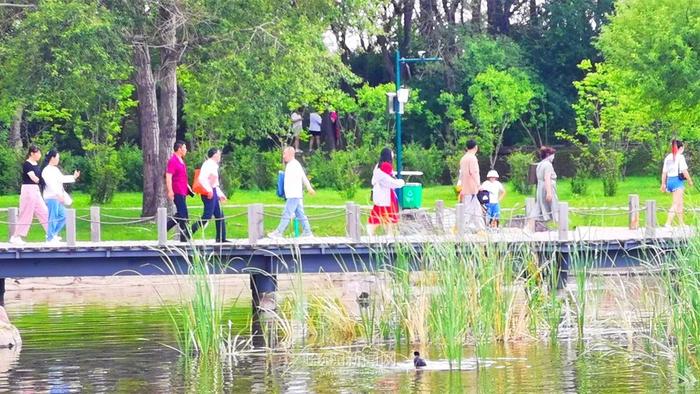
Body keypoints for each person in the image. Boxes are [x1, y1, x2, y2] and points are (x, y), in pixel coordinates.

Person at [268, 147, 316, 238]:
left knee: (287, 213)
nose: (283, 156)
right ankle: (307, 232)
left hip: (294, 195)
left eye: (284, 154)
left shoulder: (294, 165)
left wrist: (309, 187)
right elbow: (302, 177)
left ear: (290, 154)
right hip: (294, 195)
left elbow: (303, 177)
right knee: (300, 214)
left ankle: (279, 232)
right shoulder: (292, 165)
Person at [10, 145, 49, 244]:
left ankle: (50, 233)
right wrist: (42, 182)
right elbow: (34, 178)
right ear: (32, 153)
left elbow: (40, 177)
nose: (40, 155)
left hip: (35, 190)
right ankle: (16, 236)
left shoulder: (36, 164)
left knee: (44, 211)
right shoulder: (27, 164)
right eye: (38, 153)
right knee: (26, 213)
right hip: (28, 190)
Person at [41, 149, 80, 244]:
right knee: (53, 217)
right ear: (52, 158)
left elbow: (61, 179)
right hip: (52, 197)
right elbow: (51, 184)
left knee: (64, 216)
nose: (58, 159)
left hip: (57, 197)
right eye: (57, 158)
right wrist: (58, 195)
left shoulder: (54, 169)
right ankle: (50, 238)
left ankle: (53, 234)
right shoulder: (46, 171)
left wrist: (73, 177)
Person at [191, 148, 228, 243]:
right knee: (207, 216)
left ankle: (221, 238)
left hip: (213, 191)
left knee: (219, 215)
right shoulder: (208, 164)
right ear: (214, 154)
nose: (220, 156)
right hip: (208, 193)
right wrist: (209, 190)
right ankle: (189, 231)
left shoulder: (214, 165)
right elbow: (202, 179)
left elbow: (214, 183)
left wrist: (220, 194)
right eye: (219, 154)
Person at [367, 148, 405, 236]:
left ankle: (388, 235)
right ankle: (386, 235)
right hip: (385, 198)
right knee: (384, 217)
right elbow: (389, 182)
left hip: (383, 198)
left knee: (381, 217)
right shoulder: (384, 168)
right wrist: (401, 182)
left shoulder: (378, 166)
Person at [661, 139, 694, 227]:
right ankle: (668, 223)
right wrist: (690, 181)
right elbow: (684, 171)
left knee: (680, 202)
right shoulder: (680, 157)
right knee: (676, 203)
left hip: (669, 181)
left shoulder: (668, 157)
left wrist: (663, 184)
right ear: (681, 148)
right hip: (677, 181)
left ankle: (681, 223)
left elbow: (664, 172)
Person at [166, 140, 193, 241]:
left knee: (182, 214)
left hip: (183, 191)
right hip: (177, 191)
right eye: (185, 148)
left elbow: (182, 176)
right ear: (179, 149)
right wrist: (170, 191)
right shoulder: (173, 161)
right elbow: (169, 176)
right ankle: (184, 237)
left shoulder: (181, 160)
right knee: (182, 214)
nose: (186, 150)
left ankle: (184, 237)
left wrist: (187, 186)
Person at [459, 140, 486, 231]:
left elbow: (462, 174)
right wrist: (478, 185)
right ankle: (463, 228)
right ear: (475, 147)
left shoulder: (463, 158)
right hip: (472, 188)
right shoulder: (472, 158)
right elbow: (474, 173)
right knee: (469, 209)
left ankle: (481, 228)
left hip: (465, 187)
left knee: (476, 209)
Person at [532, 146, 559, 225]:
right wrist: (549, 192)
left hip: (540, 188)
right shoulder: (547, 165)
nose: (553, 157)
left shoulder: (540, 164)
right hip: (547, 187)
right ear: (548, 155)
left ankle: (530, 225)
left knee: (539, 206)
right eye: (553, 155)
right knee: (554, 206)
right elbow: (547, 178)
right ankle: (558, 225)